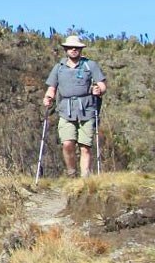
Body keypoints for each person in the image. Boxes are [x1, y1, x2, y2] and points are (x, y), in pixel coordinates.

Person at [43, 34, 108, 178]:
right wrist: (48, 98)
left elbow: (102, 85)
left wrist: (99, 90)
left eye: (76, 48)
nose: (73, 49)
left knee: (85, 147)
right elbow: (52, 88)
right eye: (70, 47)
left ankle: (85, 179)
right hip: (66, 110)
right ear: (65, 49)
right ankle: (72, 173)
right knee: (67, 143)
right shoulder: (59, 68)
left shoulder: (90, 65)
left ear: (81, 49)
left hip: (87, 109)